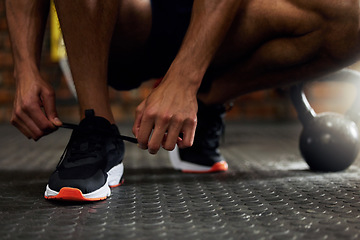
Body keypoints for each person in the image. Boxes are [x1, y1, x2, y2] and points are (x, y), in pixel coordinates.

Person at [5, 0, 360, 201]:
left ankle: (208, 101)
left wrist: (186, 78)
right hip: (123, 16)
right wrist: (24, 65)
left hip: (216, 16)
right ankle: (97, 124)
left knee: (352, 16)